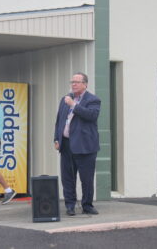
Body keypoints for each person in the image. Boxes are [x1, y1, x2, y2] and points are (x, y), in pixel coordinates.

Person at [54, 72, 101, 216]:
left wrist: (73, 105)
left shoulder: (93, 100)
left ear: (85, 84)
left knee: (86, 178)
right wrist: (57, 139)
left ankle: (87, 205)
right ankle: (70, 205)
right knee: (68, 177)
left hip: (85, 146)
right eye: (72, 82)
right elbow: (60, 120)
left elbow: (91, 116)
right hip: (67, 144)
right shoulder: (65, 99)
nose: (73, 84)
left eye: (77, 82)